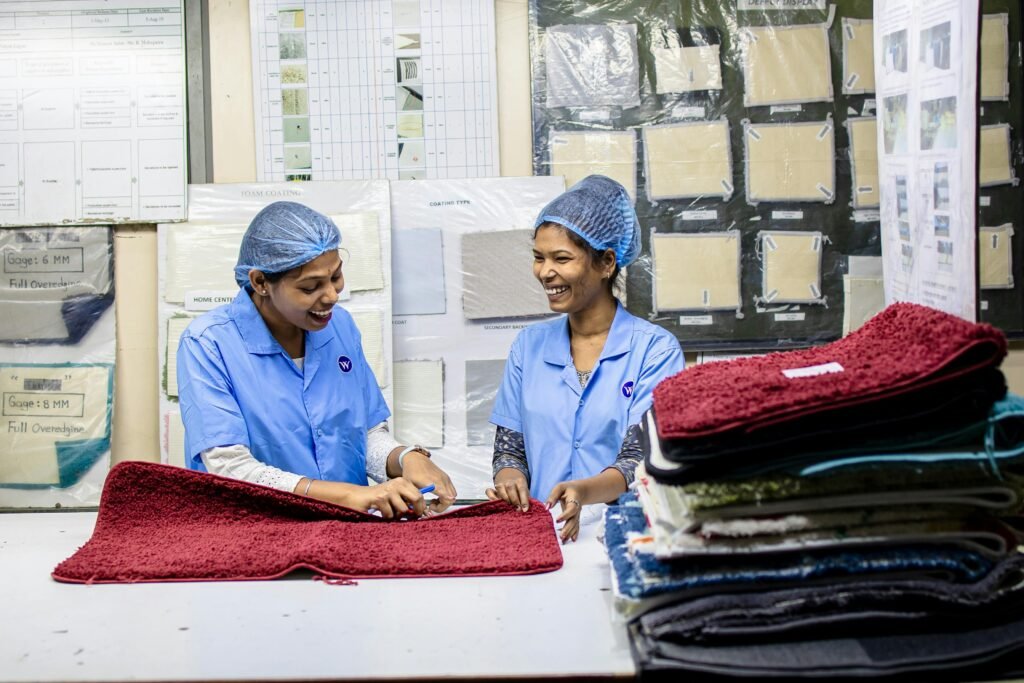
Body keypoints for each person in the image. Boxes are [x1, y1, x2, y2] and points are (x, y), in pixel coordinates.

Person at [177, 201, 456, 518]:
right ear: (259, 282)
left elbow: (363, 435)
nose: (332, 296)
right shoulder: (208, 343)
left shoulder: (340, 328)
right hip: (253, 528)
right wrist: (348, 495)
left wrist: (404, 458)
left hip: (347, 528)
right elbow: (230, 467)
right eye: (310, 287)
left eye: (336, 276)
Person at [486, 175, 684, 542]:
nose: (545, 272)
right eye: (538, 257)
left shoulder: (655, 350)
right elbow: (509, 450)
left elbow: (640, 459)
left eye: (561, 259)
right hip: (540, 533)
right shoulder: (528, 347)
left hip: (623, 536)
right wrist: (509, 479)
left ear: (606, 262)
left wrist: (582, 492)